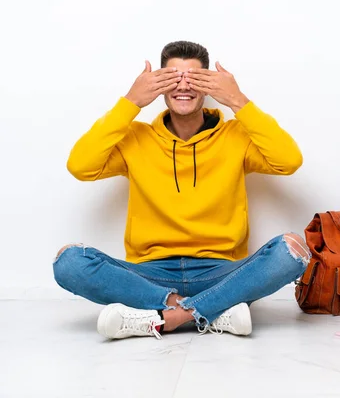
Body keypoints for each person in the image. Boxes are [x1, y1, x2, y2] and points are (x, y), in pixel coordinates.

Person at [53, 41, 311, 340]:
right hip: (150, 274)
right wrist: (130, 102)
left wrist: (238, 100)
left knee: (292, 249)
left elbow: (289, 161)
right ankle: (207, 311)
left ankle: (166, 317)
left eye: (194, 78)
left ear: (208, 86)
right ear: (159, 86)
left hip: (221, 273)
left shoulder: (236, 135)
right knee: (68, 262)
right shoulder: (135, 137)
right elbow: (79, 166)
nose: (183, 86)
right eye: (173, 78)